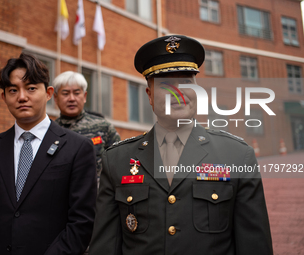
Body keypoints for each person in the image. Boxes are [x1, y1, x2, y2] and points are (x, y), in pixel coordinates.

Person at [89, 35, 273, 254]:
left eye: (186, 82)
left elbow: (254, 246)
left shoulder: (237, 156)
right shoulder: (117, 160)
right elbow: (105, 247)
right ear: (149, 95)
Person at [0, 53, 97, 255]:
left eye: (31, 88)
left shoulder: (78, 148)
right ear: (4, 97)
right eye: (13, 90)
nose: (22, 97)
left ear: (49, 93)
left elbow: (82, 221)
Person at [53, 71, 120, 187]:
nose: (71, 99)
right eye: (65, 93)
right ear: (55, 98)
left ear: (84, 96)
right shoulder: (50, 131)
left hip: (98, 200)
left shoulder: (103, 127)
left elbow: (119, 164)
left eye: (76, 93)